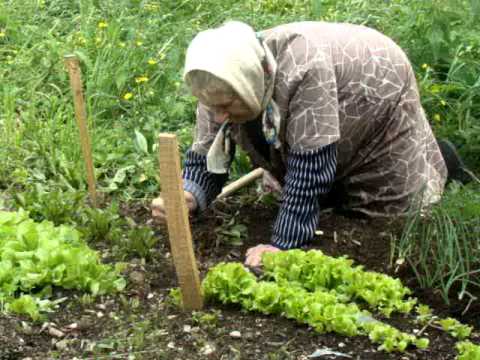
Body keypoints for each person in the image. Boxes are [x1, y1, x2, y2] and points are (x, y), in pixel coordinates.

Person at [151, 21, 448, 268]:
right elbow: (208, 152)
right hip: (319, 90)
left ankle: (443, 158)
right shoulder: (217, 79)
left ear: (250, 82)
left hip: (376, 83)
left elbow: (311, 166)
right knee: (307, 189)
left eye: (226, 104)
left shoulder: (304, 70)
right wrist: (189, 194)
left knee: (388, 215)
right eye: (210, 105)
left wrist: (283, 245)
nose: (218, 114)